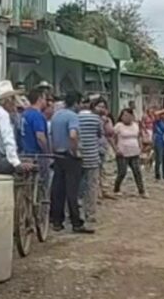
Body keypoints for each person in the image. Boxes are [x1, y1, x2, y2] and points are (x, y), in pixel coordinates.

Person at [50, 91, 94, 234]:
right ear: (76, 103)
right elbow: (73, 135)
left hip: (57, 155)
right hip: (70, 156)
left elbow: (51, 135)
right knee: (72, 191)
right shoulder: (73, 116)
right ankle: (76, 222)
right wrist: (75, 151)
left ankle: (57, 221)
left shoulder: (56, 115)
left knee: (58, 189)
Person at [77, 97, 104, 224]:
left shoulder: (75, 118)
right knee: (92, 187)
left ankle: (79, 211)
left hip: (79, 157)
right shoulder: (96, 119)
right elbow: (100, 134)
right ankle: (91, 213)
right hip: (93, 157)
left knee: (79, 187)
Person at [113, 108, 147, 197]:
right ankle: (116, 188)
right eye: (124, 115)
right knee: (122, 172)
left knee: (137, 172)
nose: (126, 117)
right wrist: (116, 149)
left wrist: (140, 146)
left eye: (128, 115)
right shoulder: (118, 126)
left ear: (132, 116)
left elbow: (138, 136)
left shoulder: (135, 125)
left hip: (135, 152)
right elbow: (113, 138)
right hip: (122, 153)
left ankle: (142, 191)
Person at [153, 109, 164, 181]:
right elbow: (155, 113)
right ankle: (157, 174)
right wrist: (163, 111)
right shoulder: (157, 121)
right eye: (163, 114)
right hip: (159, 140)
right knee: (159, 159)